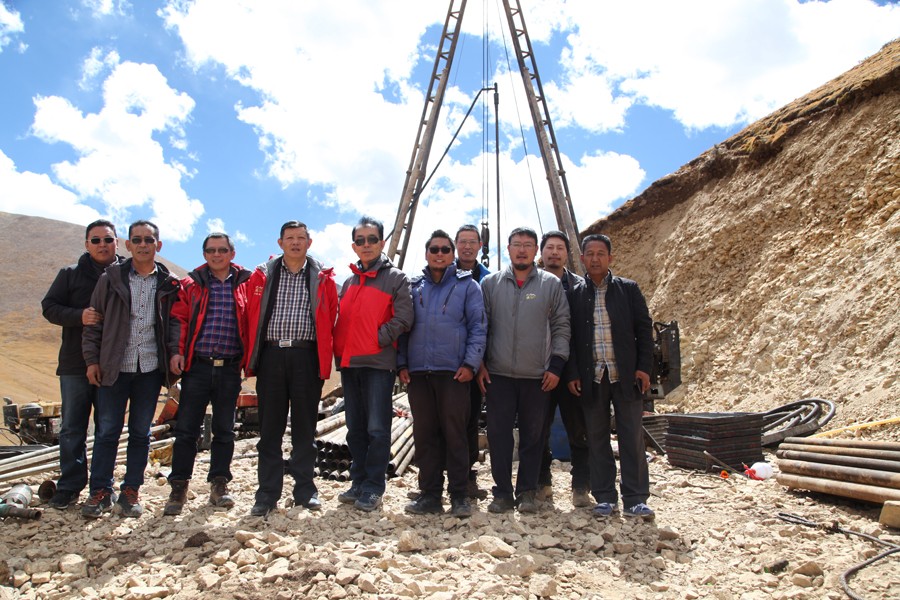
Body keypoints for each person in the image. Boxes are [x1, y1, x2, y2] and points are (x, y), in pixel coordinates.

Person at [81, 220, 181, 518]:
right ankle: (100, 491)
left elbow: (174, 324)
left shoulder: (169, 283)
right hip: (114, 367)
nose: (142, 245)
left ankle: (131, 491)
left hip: (149, 369)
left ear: (158, 245)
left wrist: (174, 353)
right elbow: (94, 323)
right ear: (128, 245)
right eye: (136, 240)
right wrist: (92, 360)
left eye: (149, 240)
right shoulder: (110, 278)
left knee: (140, 432)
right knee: (107, 431)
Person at [242, 221, 338, 517]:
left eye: (300, 238)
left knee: (304, 428)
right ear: (280, 243)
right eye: (290, 238)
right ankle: (266, 495)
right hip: (271, 356)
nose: (295, 242)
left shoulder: (322, 278)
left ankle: (305, 491)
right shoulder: (263, 275)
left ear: (309, 242)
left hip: (306, 356)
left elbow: (331, 315)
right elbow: (249, 314)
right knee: (269, 429)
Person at [477, 226, 570, 514]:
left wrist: (556, 365)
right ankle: (503, 493)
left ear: (535, 251)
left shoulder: (550, 285)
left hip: (537, 376)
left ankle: (527, 492)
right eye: (516, 244)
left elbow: (561, 326)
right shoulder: (490, 284)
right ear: (508, 249)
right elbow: (481, 327)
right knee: (499, 437)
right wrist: (480, 364)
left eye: (528, 245)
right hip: (498, 375)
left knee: (534, 437)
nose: (522, 250)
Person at [565, 234, 655, 519]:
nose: (595, 259)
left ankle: (635, 499)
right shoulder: (575, 294)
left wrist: (644, 367)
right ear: (582, 258)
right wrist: (573, 373)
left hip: (625, 374)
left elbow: (644, 330)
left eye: (600, 253)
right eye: (589, 254)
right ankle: (605, 497)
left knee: (631, 436)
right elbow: (569, 338)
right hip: (592, 377)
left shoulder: (628, 289)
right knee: (596, 438)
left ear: (610, 258)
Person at [398, 230, 486, 518]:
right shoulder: (414, 287)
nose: (439, 254)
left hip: (453, 373)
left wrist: (470, 364)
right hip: (419, 373)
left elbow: (478, 328)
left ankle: (459, 495)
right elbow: (404, 327)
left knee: (455, 434)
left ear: (452, 254)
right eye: (434, 249)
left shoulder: (468, 286)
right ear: (426, 253)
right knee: (425, 434)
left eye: (445, 249)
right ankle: (430, 495)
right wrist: (402, 364)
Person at [163, 233, 252, 515]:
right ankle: (179, 487)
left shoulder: (246, 284)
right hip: (197, 367)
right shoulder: (192, 284)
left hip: (230, 367)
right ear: (204, 254)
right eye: (211, 250)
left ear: (232, 253)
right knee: (187, 429)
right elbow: (179, 319)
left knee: (224, 429)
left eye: (222, 250)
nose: (216, 255)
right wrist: (177, 352)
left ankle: (219, 484)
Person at [41, 219, 123, 509]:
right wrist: (79, 316)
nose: (102, 245)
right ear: (87, 244)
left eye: (108, 239)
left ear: (117, 242)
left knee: (107, 428)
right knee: (72, 427)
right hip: (75, 364)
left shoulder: (126, 274)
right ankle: (70, 486)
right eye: (96, 240)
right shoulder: (70, 274)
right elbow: (49, 307)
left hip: (114, 364)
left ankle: (102, 487)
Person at [333, 216, 413, 512]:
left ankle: (374, 487)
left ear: (382, 242)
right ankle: (358, 482)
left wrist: (376, 338)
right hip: (350, 364)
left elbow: (404, 317)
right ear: (354, 246)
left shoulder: (396, 278)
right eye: (360, 240)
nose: (366, 244)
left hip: (378, 364)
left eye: (371, 239)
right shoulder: (349, 281)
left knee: (377, 428)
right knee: (355, 428)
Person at [537, 231, 592, 508]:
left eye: (560, 248)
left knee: (579, 429)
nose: (555, 253)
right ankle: (542, 483)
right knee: (538, 430)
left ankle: (581, 485)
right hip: (539, 370)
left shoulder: (580, 287)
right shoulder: (531, 284)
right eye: (550, 248)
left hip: (572, 373)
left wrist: (575, 372)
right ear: (542, 252)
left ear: (567, 254)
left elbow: (582, 333)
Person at [454, 224, 490, 498]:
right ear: (456, 245)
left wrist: (480, 363)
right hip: (446, 362)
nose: (467, 247)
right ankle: (432, 480)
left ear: (480, 245)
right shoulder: (441, 274)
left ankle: (466, 478)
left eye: (472, 242)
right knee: (438, 423)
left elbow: (490, 325)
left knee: (469, 421)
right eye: (462, 242)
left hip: (475, 364)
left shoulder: (489, 281)